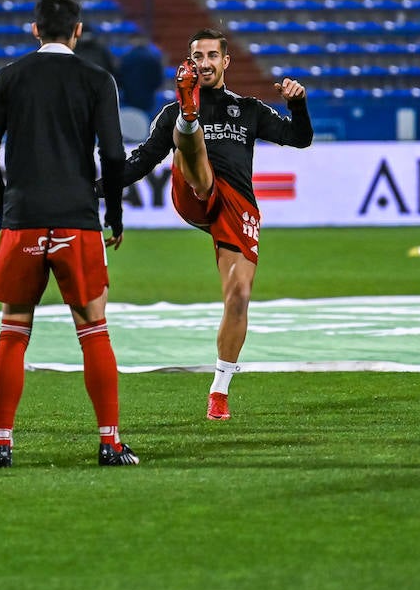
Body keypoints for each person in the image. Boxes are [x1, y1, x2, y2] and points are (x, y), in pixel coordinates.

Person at [0, 0, 136, 468]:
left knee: (12, 331)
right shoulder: (96, 79)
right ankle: (109, 442)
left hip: (24, 219)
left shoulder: (9, 78)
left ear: (34, 29)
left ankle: (1, 443)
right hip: (76, 218)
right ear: (78, 31)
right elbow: (113, 155)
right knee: (93, 327)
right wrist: (115, 214)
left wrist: (7, 206)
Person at [120, 28, 312, 421]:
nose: (204, 63)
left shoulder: (250, 109)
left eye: (211, 56)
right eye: (197, 57)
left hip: (235, 205)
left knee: (239, 295)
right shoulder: (169, 112)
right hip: (193, 189)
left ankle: (219, 391)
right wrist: (98, 187)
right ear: (189, 64)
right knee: (196, 154)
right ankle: (192, 122)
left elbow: (300, 138)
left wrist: (300, 103)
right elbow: (140, 161)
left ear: (226, 61)